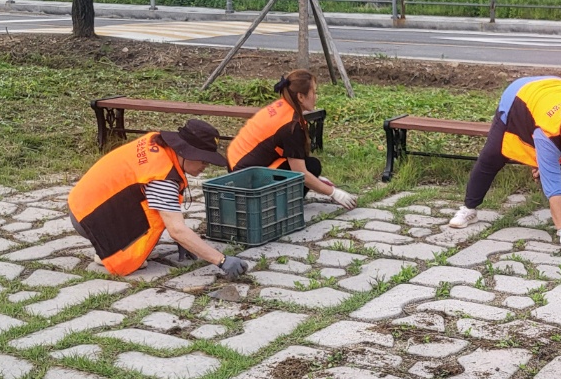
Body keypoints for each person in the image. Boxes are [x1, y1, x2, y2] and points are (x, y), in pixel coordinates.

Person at [68, 119, 246, 279]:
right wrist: (222, 260)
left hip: (82, 203)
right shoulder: (163, 178)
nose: (205, 166)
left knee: (155, 209)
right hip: (88, 218)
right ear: (187, 152)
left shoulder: (156, 144)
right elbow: (176, 230)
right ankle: (107, 253)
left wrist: (188, 241)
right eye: (203, 160)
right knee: (137, 259)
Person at [447, 76, 561, 257]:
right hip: (518, 99)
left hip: (553, 89)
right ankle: (469, 209)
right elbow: (553, 188)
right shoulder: (547, 131)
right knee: (492, 156)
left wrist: (560, 158)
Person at [227, 70, 357, 210]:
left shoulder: (282, 106)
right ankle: (281, 206)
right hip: (246, 178)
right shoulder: (292, 127)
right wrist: (333, 193)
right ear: (301, 96)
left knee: (306, 165)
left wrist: (317, 181)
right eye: (314, 93)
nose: (316, 97)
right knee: (312, 167)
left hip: (236, 166)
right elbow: (301, 173)